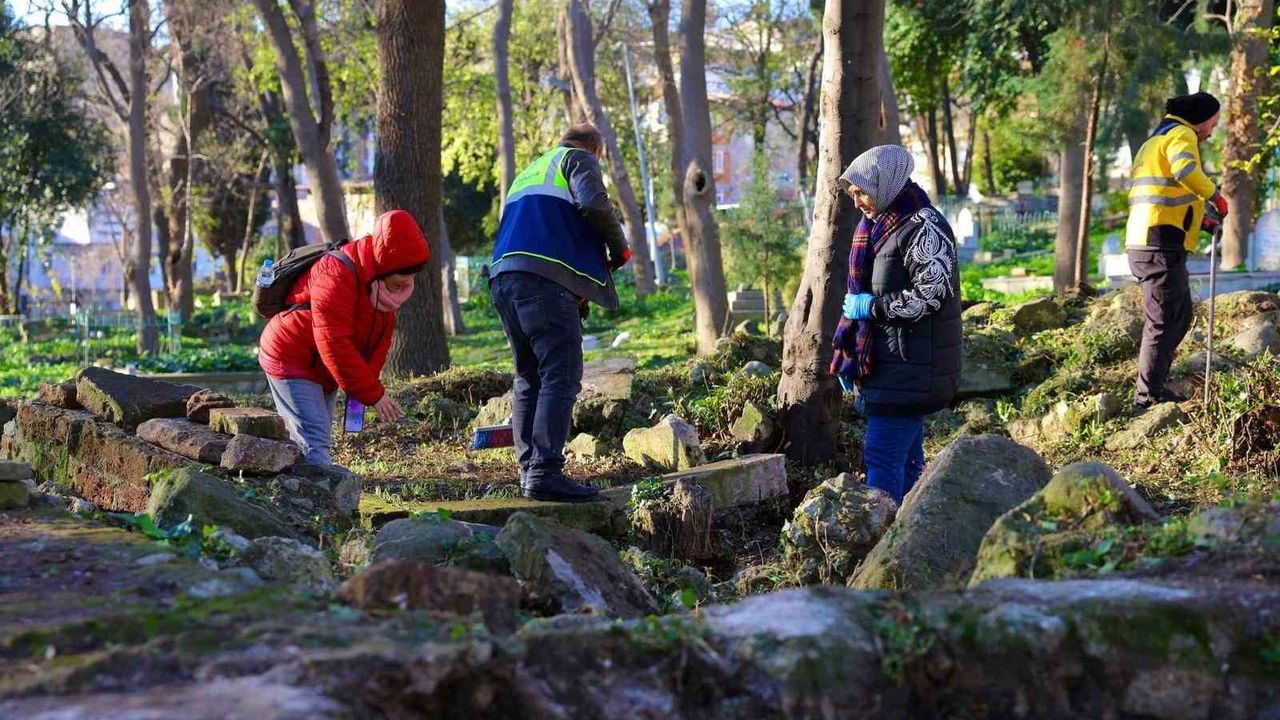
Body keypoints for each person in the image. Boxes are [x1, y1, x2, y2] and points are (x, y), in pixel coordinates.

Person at [489, 123, 632, 502]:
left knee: (529, 376)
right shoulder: (578, 159)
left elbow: (548, 229)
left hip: (504, 278)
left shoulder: (531, 171)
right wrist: (619, 248)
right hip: (541, 280)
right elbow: (594, 205)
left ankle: (529, 472)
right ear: (595, 150)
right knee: (561, 373)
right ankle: (546, 472)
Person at [830, 145, 962, 505]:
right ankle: (910, 522)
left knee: (882, 454)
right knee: (904, 456)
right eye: (852, 193)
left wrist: (871, 307)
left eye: (862, 192)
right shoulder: (880, 225)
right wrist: (852, 352)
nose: (857, 202)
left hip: (912, 365)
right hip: (895, 365)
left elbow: (931, 295)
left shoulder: (923, 226)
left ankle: (885, 529)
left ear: (885, 183)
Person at [258, 209, 429, 465]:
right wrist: (373, 394)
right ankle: (312, 490)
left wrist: (362, 393)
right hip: (291, 356)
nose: (407, 286)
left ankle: (295, 480)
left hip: (321, 366)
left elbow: (378, 343)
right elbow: (334, 343)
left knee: (315, 437)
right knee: (313, 441)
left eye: (412, 278)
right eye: (401, 279)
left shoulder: (383, 290)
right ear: (384, 266)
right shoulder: (336, 274)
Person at [1126, 91, 1226, 410]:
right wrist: (1215, 196)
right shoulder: (1182, 134)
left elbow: (1167, 191)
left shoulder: (1155, 140)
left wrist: (1203, 222)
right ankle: (1147, 396)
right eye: (1212, 124)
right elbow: (1186, 172)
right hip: (1158, 241)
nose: (1211, 132)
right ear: (1200, 120)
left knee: (1179, 316)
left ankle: (1153, 387)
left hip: (1151, 239)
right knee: (1165, 319)